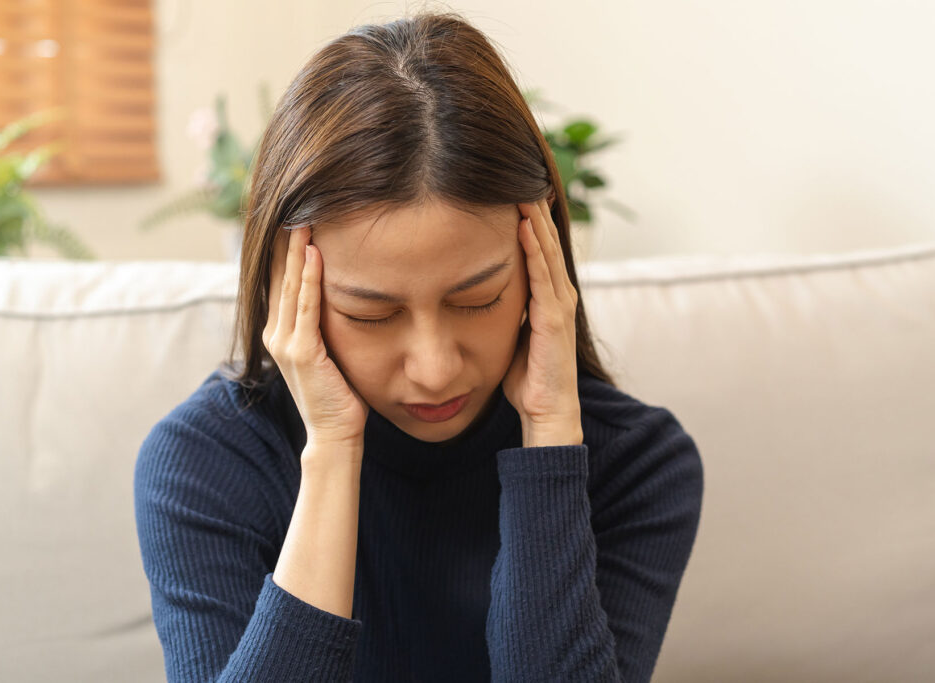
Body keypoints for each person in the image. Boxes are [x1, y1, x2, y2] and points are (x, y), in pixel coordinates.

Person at [133, 11, 703, 682]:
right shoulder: (204, 465)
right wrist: (333, 457)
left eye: (477, 299)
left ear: (540, 261)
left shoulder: (638, 466)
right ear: (290, 291)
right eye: (370, 313)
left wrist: (549, 437)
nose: (434, 370)